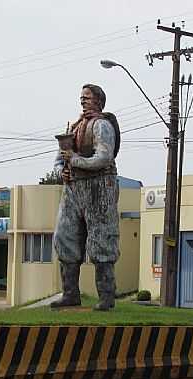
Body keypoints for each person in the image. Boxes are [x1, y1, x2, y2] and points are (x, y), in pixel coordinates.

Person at [51, 84, 120, 311]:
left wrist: (75, 160)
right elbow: (61, 158)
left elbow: (103, 157)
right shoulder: (75, 125)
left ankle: (106, 297)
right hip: (73, 187)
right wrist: (63, 167)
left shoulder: (102, 125)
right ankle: (70, 293)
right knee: (65, 236)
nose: (83, 101)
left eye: (87, 97)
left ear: (99, 100)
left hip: (99, 186)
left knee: (101, 238)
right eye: (81, 97)